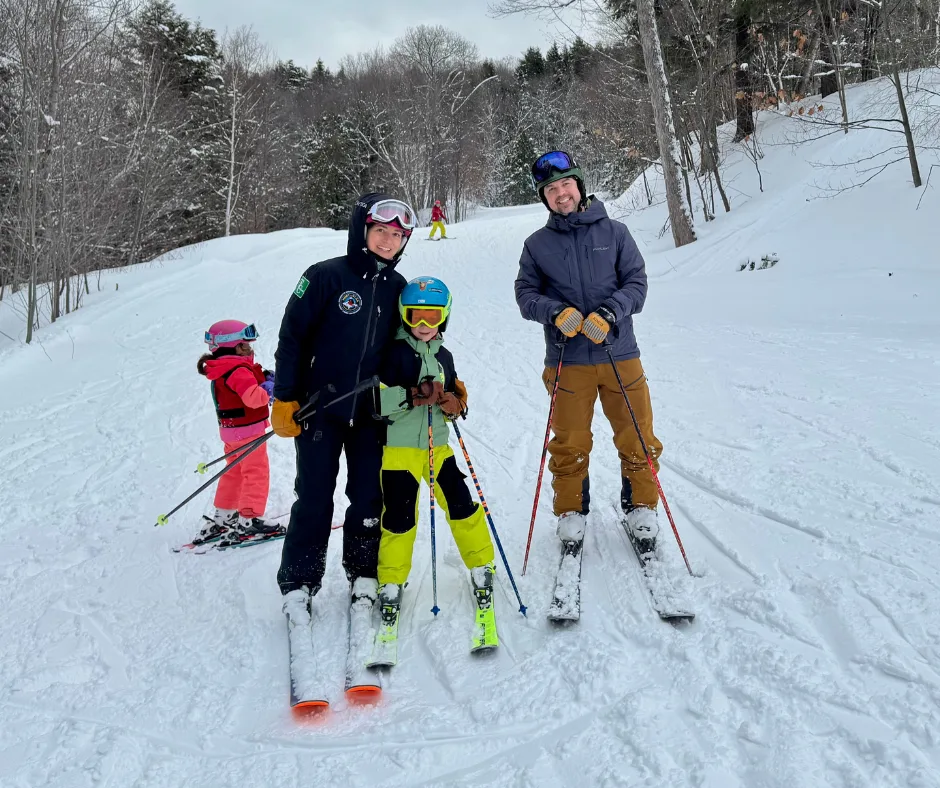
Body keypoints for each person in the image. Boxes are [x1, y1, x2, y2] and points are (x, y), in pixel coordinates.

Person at [513, 150, 664, 554]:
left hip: (620, 355)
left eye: (566, 185)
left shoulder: (615, 233)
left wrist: (611, 311)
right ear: (544, 198)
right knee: (570, 442)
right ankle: (571, 512)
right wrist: (554, 311)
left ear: (580, 187)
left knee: (637, 436)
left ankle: (641, 508)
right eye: (551, 189)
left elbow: (637, 283)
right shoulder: (536, 245)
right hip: (568, 360)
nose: (560, 194)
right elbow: (525, 295)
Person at [271, 193, 414, 613]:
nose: (388, 242)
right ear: (362, 230)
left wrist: (438, 378)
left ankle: (363, 571)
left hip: (371, 412)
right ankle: (300, 577)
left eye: (397, 235)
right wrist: (284, 397)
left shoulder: (398, 288)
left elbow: (407, 347)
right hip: (318, 409)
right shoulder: (323, 277)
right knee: (314, 495)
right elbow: (291, 339)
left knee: (369, 495)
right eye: (381, 231)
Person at [374, 277, 496, 642]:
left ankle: (481, 565)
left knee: (462, 506)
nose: (424, 324)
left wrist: (454, 404)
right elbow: (377, 404)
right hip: (399, 453)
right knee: (397, 520)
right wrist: (413, 394)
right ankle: (391, 582)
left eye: (432, 316)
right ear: (404, 316)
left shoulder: (444, 355)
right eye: (416, 316)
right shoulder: (392, 354)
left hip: (438, 449)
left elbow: (457, 396)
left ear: (443, 317)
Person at [197, 320, 282, 542]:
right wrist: (269, 393)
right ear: (234, 346)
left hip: (231, 433)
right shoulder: (239, 370)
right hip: (249, 432)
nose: (251, 348)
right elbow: (252, 398)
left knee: (233, 472)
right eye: (246, 344)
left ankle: (223, 515)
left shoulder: (222, 368)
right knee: (256, 472)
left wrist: (263, 379)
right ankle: (250, 519)